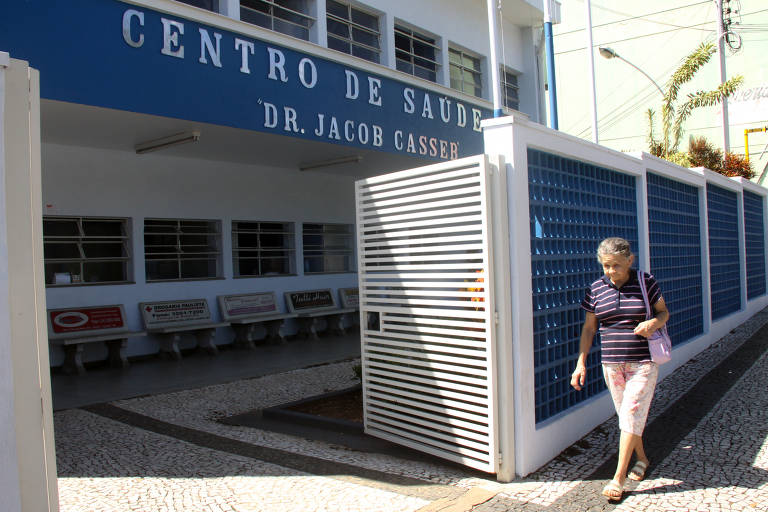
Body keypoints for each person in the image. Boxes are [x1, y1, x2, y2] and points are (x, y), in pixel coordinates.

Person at [570, 237, 670, 502]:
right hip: (611, 364)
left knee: (631, 412)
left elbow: (663, 313)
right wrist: (581, 362)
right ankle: (643, 458)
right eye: (606, 266)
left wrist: (652, 324)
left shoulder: (646, 281)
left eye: (616, 265)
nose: (611, 271)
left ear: (630, 260)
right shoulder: (596, 289)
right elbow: (589, 328)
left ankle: (618, 477)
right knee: (627, 417)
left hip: (643, 362)